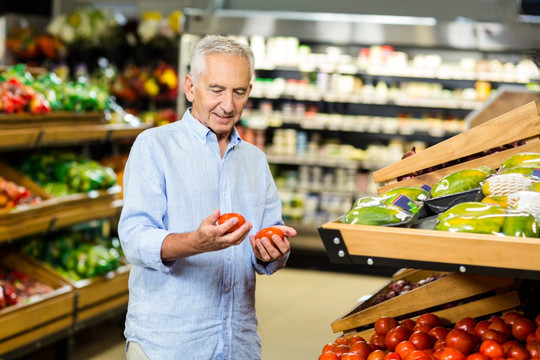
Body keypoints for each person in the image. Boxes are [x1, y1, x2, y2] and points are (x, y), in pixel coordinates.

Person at [118, 34, 297, 360]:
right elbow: (134, 238)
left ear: (249, 92)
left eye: (238, 92)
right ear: (190, 87)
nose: (228, 106)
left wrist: (272, 252)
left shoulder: (255, 161)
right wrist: (194, 242)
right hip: (169, 344)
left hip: (237, 343)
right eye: (216, 90)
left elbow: (267, 241)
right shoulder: (154, 146)